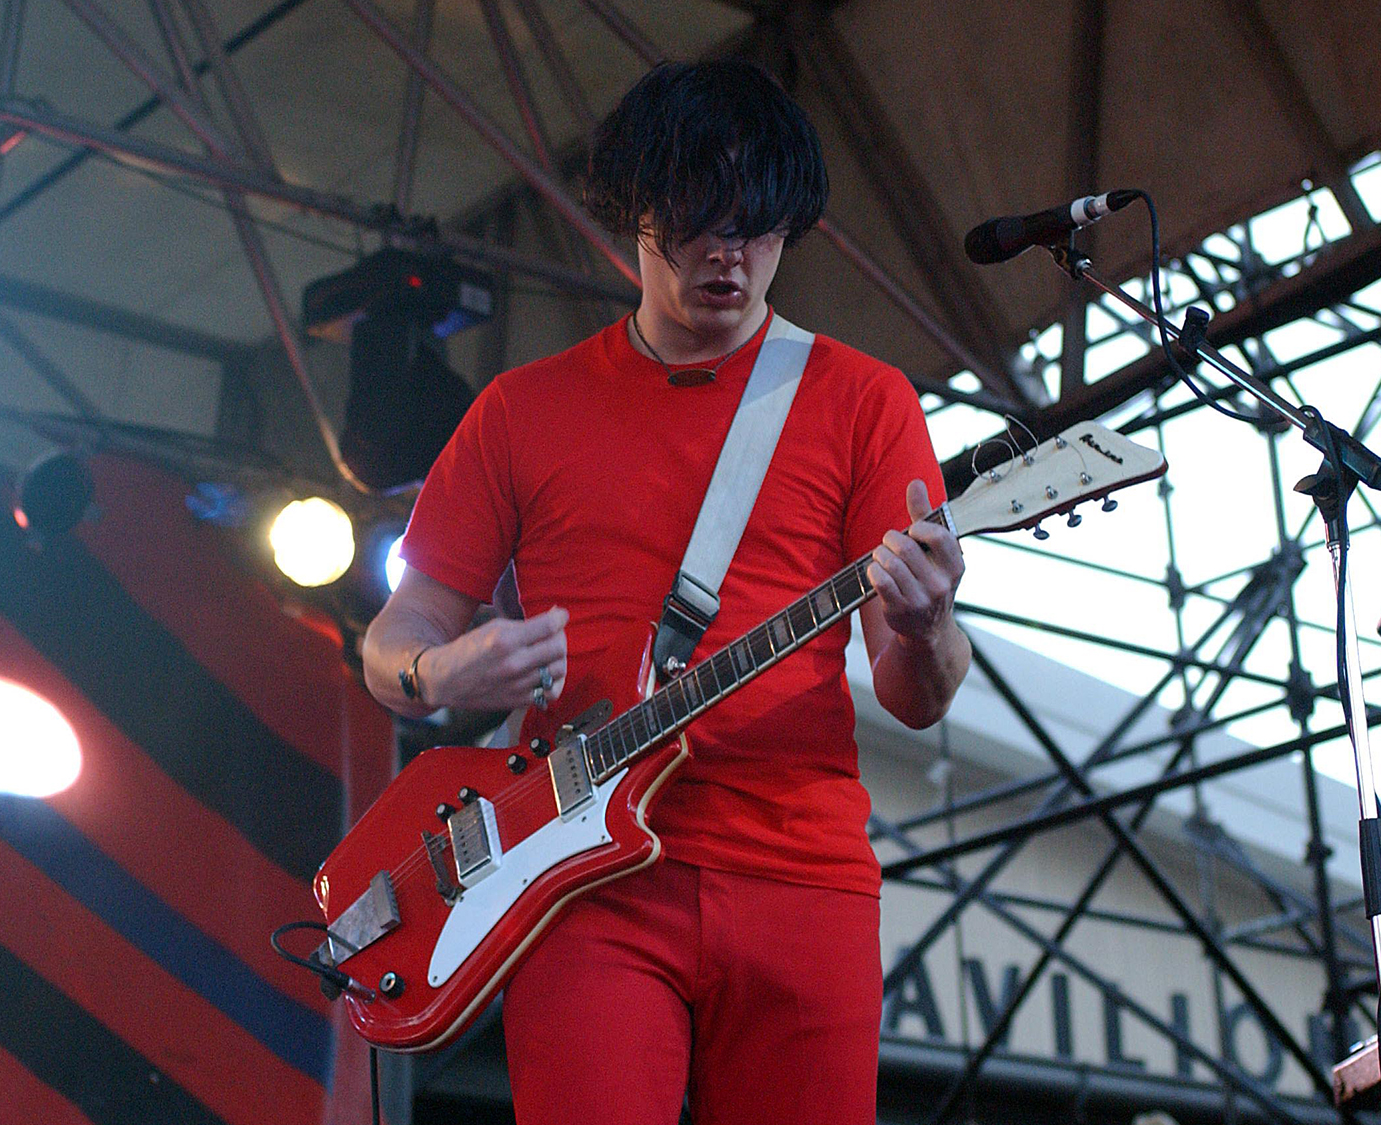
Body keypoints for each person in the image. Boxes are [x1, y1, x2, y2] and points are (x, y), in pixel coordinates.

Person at [360, 59, 970, 1125]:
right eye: (694, 221)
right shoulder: (519, 410)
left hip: (802, 876)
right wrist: (438, 667)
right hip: (578, 881)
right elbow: (394, 639)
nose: (727, 253)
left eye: (758, 225)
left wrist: (925, 626)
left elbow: (915, 694)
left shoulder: (863, 400)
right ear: (633, 214)